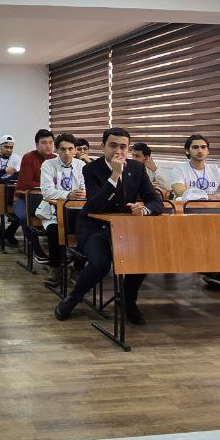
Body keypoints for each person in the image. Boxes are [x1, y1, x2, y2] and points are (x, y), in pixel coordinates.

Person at [54, 126, 162, 325]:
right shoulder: (90, 169)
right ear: (103, 146)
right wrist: (114, 175)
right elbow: (95, 205)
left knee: (142, 258)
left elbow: (155, 200)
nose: (118, 151)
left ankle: (128, 301)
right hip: (95, 227)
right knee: (100, 264)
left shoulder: (137, 168)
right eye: (113, 146)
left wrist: (144, 209)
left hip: (125, 228)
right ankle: (74, 297)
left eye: (123, 147)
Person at [168, 133, 220, 293]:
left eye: (203, 147)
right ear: (187, 151)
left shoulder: (215, 170)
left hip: (213, 218)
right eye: (195, 147)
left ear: (208, 151)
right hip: (186, 220)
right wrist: (213, 196)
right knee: (208, 240)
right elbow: (182, 193)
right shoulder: (179, 170)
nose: (200, 150)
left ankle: (214, 274)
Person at [39, 133, 87, 293]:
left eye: (70, 149)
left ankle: (78, 267)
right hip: (53, 210)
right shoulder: (48, 165)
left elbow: (86, 187)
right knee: (54, 231)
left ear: (75, 150)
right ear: (57, 150)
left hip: (77, 210)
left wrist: (83, 193)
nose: (67, 153)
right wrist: (68, 195)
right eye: (63, 149)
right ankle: (56, 268)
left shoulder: (81, 165)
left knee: (86, 230)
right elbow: (47, 191)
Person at [13, 129, 55, 261]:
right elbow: (26, 184)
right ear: (37, 144)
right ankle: (37, 250)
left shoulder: (55, 158)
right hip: (23, 199)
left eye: (50, 142)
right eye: (44, 143)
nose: (48, 146)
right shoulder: (28, 157)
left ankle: (59, 254)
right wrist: (50, 185)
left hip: (47, 200)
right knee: (25, 217)